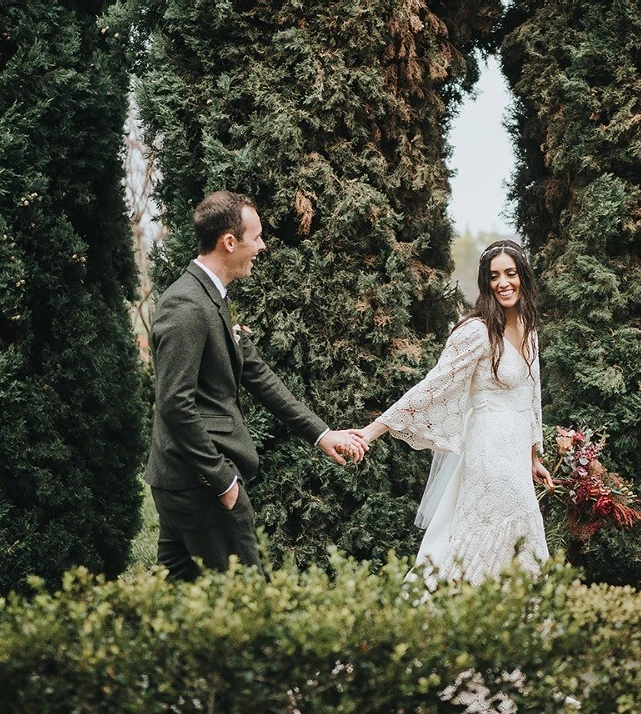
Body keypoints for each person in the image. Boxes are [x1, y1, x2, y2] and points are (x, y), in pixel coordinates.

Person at [144, 190, 368, 581]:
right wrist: (221, 480)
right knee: (248, 599)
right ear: (229, 241)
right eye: (257, 236)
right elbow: (174, 405)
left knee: (177, 607)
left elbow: (257, 375)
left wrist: (322, 434)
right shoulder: (187, 305)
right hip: (201, 485)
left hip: (183, 483)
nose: (262, 246)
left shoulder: (211, 298)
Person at [360, 240, 553, 583]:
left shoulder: (529, 327)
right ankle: (458, 605)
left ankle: (510, 623)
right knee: (504, 525)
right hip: (488, 448)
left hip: (515, 451)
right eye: (494, 276)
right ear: (486, 283)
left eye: (511, 273)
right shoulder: (476, 332)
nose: (503, 282)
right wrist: (375, 429)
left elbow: (530, 392)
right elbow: (433, 386)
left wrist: (534, 454)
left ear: (523, 276)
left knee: (519, 530)